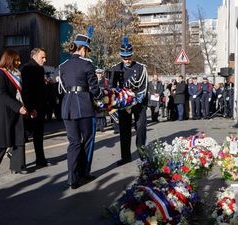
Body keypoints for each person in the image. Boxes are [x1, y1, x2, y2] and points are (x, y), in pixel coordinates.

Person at [58, 26, 103, 189]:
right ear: (83, 49)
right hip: (83, 106)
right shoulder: (87, 64)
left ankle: (72, 178)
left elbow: (63, 87)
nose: (87, 53)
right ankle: (83, 172)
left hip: (67, 107)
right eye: (87, 50)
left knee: (73, 143)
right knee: (88, 140)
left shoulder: (63, 65)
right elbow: (95, 89)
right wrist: (102, 98)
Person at [0, 49, 28, 181]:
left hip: (17, 109)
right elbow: (1, 94)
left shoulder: (16, 74)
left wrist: (27, 108)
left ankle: (17, 165)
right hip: (4, 112)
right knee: (2, 142)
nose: (19, 62)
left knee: (18, 138)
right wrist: (18, 107)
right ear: (9, 59)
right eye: (16, 60)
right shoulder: (0, 74)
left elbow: (20, 94)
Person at [109, 36, 148, 165]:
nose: (127, 60)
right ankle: (125, 156)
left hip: (138, 103)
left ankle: (142, 153)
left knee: (141, 128)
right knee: (124, 130)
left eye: (129, 57)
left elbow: (143, 88)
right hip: (123, 105)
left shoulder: (141, 68)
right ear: (121, 56)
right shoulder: (115, 68)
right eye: (124, 57)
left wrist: (134, 100)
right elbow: (112, 88)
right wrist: (114, 105)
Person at [21, 48, 49, 167]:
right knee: (25, 134)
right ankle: (19, 161)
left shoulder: (40, 69)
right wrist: (31, 108)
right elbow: (27, 90)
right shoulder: (27, 68)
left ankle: (40, 159)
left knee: (38, 135)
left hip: (40, 107)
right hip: (32, 108)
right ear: (35, 56)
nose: (45, 60)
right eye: (42, 57)